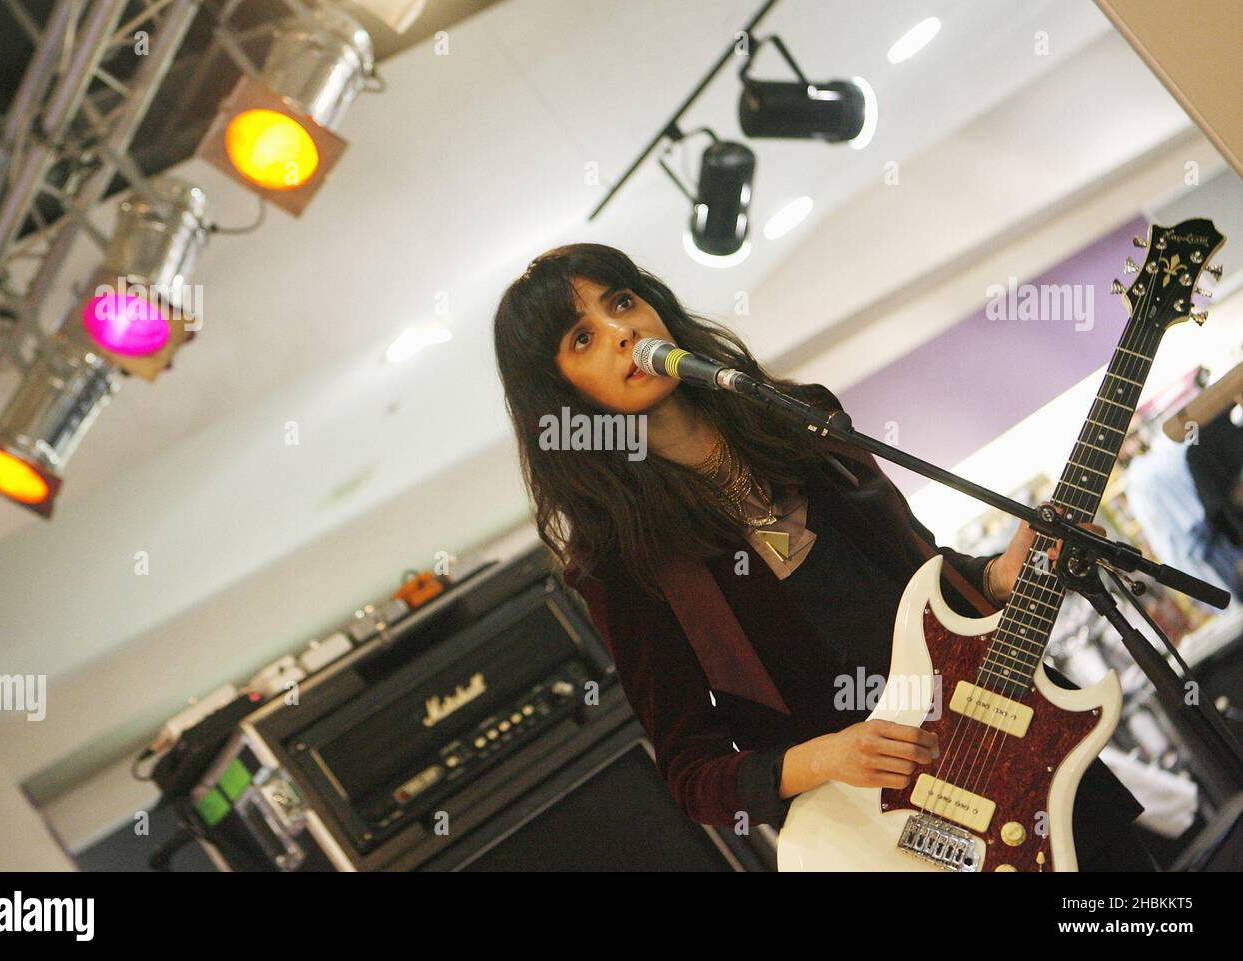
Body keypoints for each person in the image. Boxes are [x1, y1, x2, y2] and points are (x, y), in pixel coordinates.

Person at [492, 242, 1156, 871]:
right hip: (894, 827)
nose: (621, 333)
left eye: (623, 303)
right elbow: (692, 774)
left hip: (1019, 749)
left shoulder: (801, 419)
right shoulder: (618, 560)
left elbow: (917, 569)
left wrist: (993, 575)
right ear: (561, 393)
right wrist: (825, 757)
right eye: (582, 338)